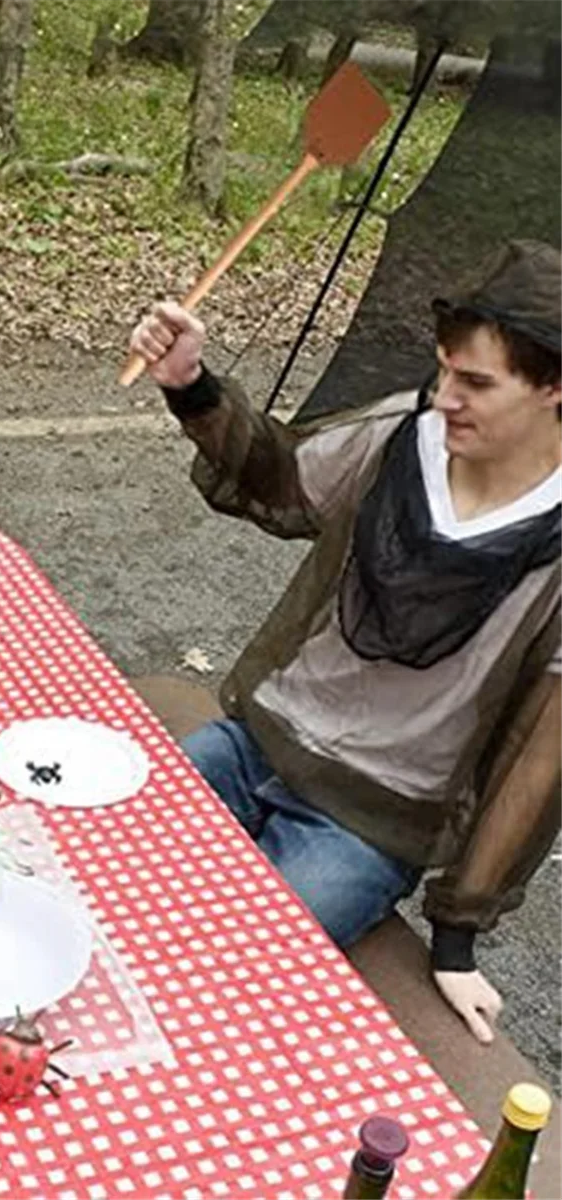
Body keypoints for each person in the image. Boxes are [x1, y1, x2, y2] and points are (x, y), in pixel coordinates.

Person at [128, 239, 561, 1045]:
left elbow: (542, 760)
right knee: (110, 858)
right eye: (442, 371)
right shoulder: (405, 433)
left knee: (234, 976)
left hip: (366, 821)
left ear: (554, 389)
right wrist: (191, 384)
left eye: (475, 382)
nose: (444, 398)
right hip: (259, 742)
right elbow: (280, 482)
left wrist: (458, 935)